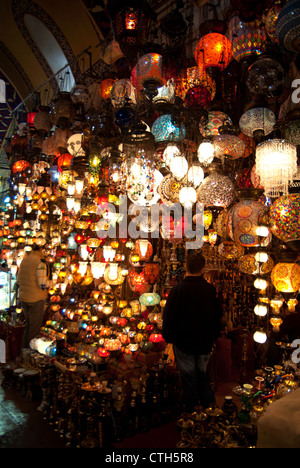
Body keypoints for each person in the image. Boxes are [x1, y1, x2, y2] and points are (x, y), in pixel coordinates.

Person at [162, 252, 223, 412]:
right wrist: (214, 336)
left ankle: (191, 415)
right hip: (204, 342)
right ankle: (209, 411)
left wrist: (169, 337)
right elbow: (217, 316)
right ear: (203, 268)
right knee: (202, 376)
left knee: (189, 378)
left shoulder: (178, 289)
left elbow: (168, 316)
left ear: (186, 267)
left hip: (183, 343)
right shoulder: (209, 290)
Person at [17, 245, 49, 348]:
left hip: (24, 297)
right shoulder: (40, 261)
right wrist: (52, 283)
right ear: (41, 249)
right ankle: (30, 356)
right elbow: (42, 283)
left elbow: (18, 279)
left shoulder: (25, 259)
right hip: (36, 298)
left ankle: (23, 352)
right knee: (34, 329)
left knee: (28, 326)